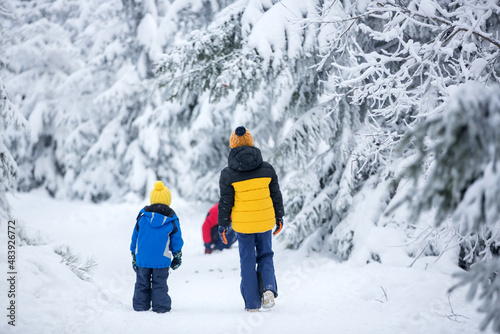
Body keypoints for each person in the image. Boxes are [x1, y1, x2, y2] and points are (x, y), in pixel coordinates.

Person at [217, 126, 284, 312]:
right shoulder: (267, 169)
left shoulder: (228, 174)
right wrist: (279, 217)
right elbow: (276, 195)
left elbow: (225, 202)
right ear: (252, 142)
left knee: (247, 260)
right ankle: (268, 288)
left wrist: (222, 226)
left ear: (232, 145)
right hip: (264, 221)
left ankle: (252, 303)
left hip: (243, 225)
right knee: (265, 255)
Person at [130, 180, 183, 313]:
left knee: (142, 283)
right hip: (161, 259)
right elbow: (176, 241)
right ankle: (161, 307)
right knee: (159, 284)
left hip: (142, 258)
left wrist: (133, 254)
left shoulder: (142, 217)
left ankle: (140, 306)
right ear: (168, 200)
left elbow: (135, 237)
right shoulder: (171, 219)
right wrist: (177, 256)